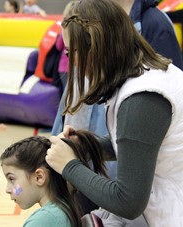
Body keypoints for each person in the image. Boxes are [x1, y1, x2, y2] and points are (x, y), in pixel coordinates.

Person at [45, 0, 183, 226]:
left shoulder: (142, 98)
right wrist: (88, 145)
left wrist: (69, 166)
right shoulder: (143, 75)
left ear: (96, 48)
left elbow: (128, 201)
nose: (71, 62)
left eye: (71, 52)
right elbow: (142, 147)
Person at [0, 131, 107, 227]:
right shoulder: (67, 206)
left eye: (11, 179)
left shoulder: (44, 220)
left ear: (39, 177)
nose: (7, 189)